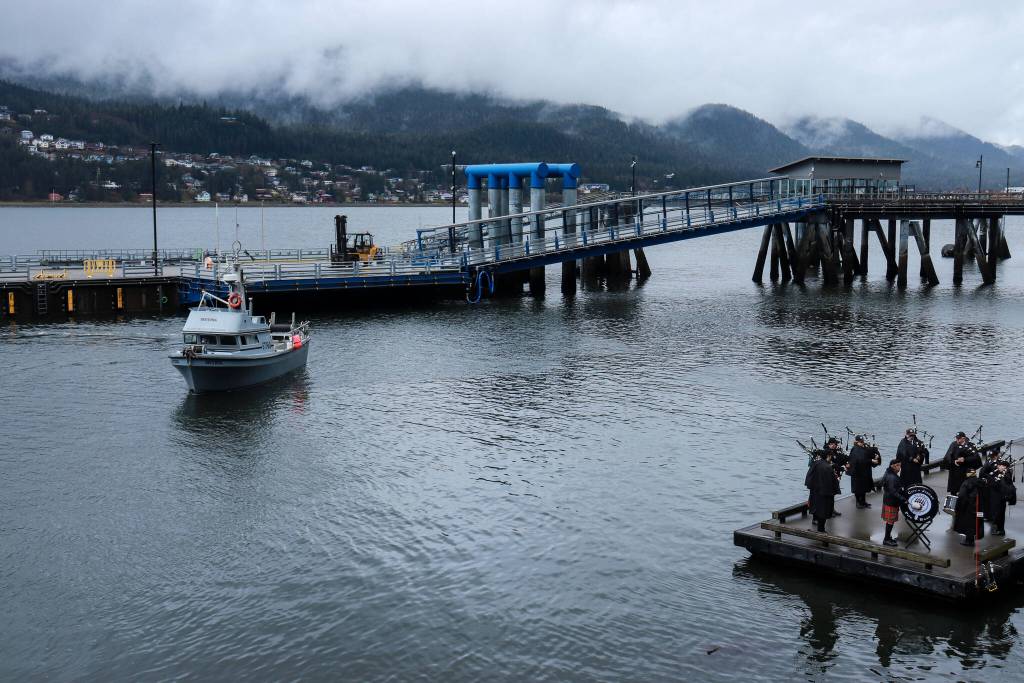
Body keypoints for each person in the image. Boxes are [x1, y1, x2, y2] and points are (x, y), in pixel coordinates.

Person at [805, 451, 837, 533]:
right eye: (830, 456)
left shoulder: (815, 464)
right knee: (824, 511)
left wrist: (811, 487)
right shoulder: (828, 467)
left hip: (815, 491)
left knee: (816, 508)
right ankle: (821, 529)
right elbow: (831, 482)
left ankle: (817, 524)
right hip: (825, 493)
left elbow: (809, 476)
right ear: (828, 456)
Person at [953, 469, 986, 546]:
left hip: (970, 507)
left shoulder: (966, 483)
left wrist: (959, 507)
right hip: (980, 507)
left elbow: (962, 496)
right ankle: (977, 536)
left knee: (969, 524)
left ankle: (969, 540)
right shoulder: (981, 482)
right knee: (978, 522)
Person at [847, 435, 881, 508]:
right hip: (857, 473)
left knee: (864, 488)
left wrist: (875, 456)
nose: (862, 443)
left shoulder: (863, 448)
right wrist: (871, 460)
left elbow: (866, 456)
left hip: (864, 472)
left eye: (862, 442)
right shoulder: (855, 449)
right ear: (856, 442)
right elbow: (859, 460)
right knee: (858, 489)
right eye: (860, 442)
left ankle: (863, 502)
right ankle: (858, 503)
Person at [985, 460, 1017, 536]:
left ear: (1005, 467)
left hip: (1000, 497)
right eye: (999, 465)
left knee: (999, 514)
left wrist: (1003, 474)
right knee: (995, 512)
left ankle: (999, 529)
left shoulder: (1006, 474)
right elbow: (990, 479)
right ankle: (999, 529)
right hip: (994, 496)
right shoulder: (996, 472)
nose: (999, 467)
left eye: (1002, 466)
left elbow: (1004, 484)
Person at [881, 459, 907, 547]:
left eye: (900, 465)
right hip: (891, 501)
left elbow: (883, 484)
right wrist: (903, 499)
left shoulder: (888, 473)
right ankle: (886, 539)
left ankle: (888, 537)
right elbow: (893, 491)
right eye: (898, 465)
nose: (899, 467)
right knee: (890, 521)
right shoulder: (892, 477)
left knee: (890, 521)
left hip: (888, 499)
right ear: (892, 466)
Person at [826, 437, 847, 516]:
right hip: (830, 476)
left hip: (836, 475)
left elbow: (839, 460)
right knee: (830, 493)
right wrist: (841, 468)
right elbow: (832, 464)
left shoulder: (835, 452)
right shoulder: (827, 452)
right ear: (831, 444)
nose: (837, 445)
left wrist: (846, 462)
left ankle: (832, 509)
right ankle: (828, 510)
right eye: (835, 444)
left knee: (833, 493)